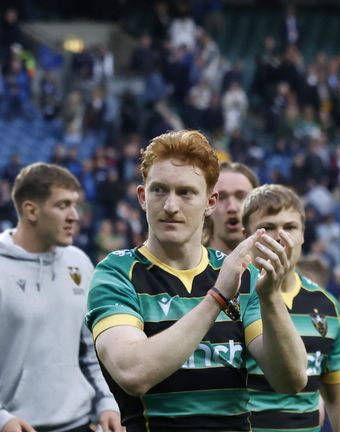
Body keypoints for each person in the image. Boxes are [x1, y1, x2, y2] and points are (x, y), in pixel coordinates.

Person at [85, 130, 307, 430]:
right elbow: (133, 372)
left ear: (210, 202)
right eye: (159, 190)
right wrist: (217, 298)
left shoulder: (238, 275)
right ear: (142, 197)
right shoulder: (116, 273)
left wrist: (269, 299)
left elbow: (291, 380)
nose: (171, 206)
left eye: (186, 193)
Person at [0, 163, 121, 432]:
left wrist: (107, 402)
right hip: (16, 426)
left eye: (75, 205)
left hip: (79, 422)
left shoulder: (78, 262)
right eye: (63, 205)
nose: (74, 216)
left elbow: (90, 349)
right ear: (31, 210)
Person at [241, 184, 340, 431]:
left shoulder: (325, 304)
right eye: (267, 228)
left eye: (289, 227)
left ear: (302, 235)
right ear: (246, 235)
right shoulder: (228, 295)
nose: (280, 236)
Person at [205, 161, 259, 253]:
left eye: (241, 197)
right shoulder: (186, 264)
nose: (232, 207)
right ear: (207, 204)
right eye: (221, 197)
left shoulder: (273, 264)